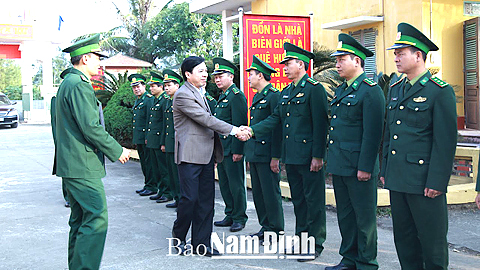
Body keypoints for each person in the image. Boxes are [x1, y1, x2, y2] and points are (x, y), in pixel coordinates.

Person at [241, 42, 329, 261]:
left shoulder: (314, 89)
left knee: (313, 202)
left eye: (288, 63)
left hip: (309, 156)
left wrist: (318, 155)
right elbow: (275, 119)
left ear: (300, 64)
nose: (284, 68)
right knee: (299, 201)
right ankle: (301, 240)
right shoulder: (288, 91)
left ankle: (315, 243)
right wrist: (252, 130)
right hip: (293, 156)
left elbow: (321, 125)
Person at [381, 22, 457, 270]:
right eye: (395, 53)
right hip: (399, 180)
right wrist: (385, 170)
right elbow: (389, 133)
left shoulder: (439, 92)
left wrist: (437, 182)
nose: (396, 58)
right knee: (404, 240)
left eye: (401, 53)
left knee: (432, 243)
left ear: (418, 56)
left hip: (424, 182)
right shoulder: (394, 89)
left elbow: (445, 142)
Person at [54, 34, 130, 270]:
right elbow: (90, 127)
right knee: (96, 218)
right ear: (85, 58)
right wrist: (117, 150)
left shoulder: (69, 83)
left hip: (73, 163)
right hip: (82, 164)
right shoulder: (78, 84)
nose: (100, 63)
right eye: (98, 58)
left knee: (80, 220)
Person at [171, 56, 249, 256]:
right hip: (189, 156)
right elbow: (205, 119)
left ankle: (201, 243)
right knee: (189, 199)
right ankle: (178, 238)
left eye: (206, 71)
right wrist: (234, 130)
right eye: (201, 71)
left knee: (206, 201)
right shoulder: (182, 94)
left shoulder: (200, 92)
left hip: (206, 156)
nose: (206, 74)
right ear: (188, 75)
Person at [326, 34, 385, 270]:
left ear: (357, 61)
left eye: (342, 60)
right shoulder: (342, 90)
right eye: (336, 60)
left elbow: (373, 135)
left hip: (359, 167)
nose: (337, 64)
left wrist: (365, 167)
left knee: (364, 219)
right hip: (341, 164)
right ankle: (349, 258)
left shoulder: (370, 91)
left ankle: (367, 263)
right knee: (346, 216)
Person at [244, 55, 284, 240]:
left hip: (268, 154)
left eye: (251, 74)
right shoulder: (258, 96)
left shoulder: (273, 96)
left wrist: (275, 157)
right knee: (259, 195)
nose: (249, 77)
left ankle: (275, 230)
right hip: (256, 153)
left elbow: (277, 128)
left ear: (260, 75)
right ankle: (265, 226)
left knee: (270, 194)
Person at [211, 57, 249, 232]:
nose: (217, 79)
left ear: (231, 76)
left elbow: (240, 124)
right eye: (215, 77)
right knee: (225, 184)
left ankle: (240, 217)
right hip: (221, 149)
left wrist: (238, 150)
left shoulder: (236, 96)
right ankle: (230, 213)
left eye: (221, 76)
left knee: (236, 184)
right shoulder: (223, 96)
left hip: (232, 149)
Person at [145, 71, 173, 203]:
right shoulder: (156, 100)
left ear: (160, 87)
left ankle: (167, 192)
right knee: (157, 168)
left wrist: (162, 141)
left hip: (160, 139)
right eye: (150, 86)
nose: (151, 89)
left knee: (164, 168)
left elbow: (164, 124)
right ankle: (161, 190)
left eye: (153, 86)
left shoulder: (165, 101)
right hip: (154, 139)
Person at [160, 69, 184, 208]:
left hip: (179, 143)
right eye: (165, 85)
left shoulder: (180, 100)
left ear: (177, 85)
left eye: (169, 85)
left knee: (179, 174)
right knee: (172, 173)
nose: (166, 88)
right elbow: (166, 124)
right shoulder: (168, 102)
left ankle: (182, 200)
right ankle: (176, 198)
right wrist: (164, 142)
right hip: (170, 142)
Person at [130, 74, 156, 196]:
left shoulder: (148, 99)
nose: (136, 89)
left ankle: (152, 186)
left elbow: (150, 120)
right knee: (144, 163)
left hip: (146, 138)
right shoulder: (138, 100)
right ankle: (148, 184)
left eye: (138, 86)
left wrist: (147, 137)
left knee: (149, 163)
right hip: (139, 138)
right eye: (134, 87)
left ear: (144, 86)